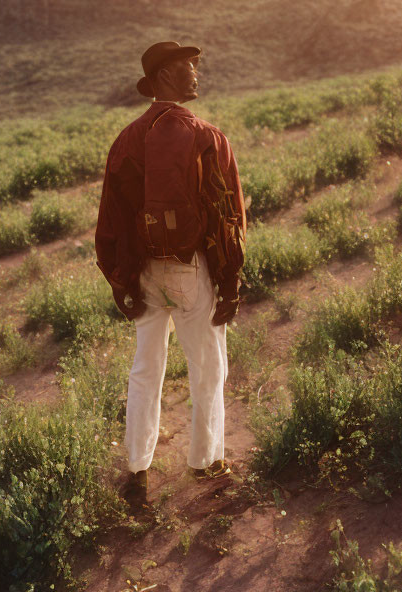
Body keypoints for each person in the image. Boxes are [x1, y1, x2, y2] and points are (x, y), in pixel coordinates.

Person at [95, 41, 247, 499]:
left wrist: (120, 279)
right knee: (207, 367)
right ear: (163, 75)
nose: (196, 73)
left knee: (146, 368)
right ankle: (206, 462)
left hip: (143, 271)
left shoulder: (126, 139)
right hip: (190, 269)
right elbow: (227, 216)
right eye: (187, 66)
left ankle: (138, 471)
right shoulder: (206, 135)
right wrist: (230, 279)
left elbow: (112, 218)